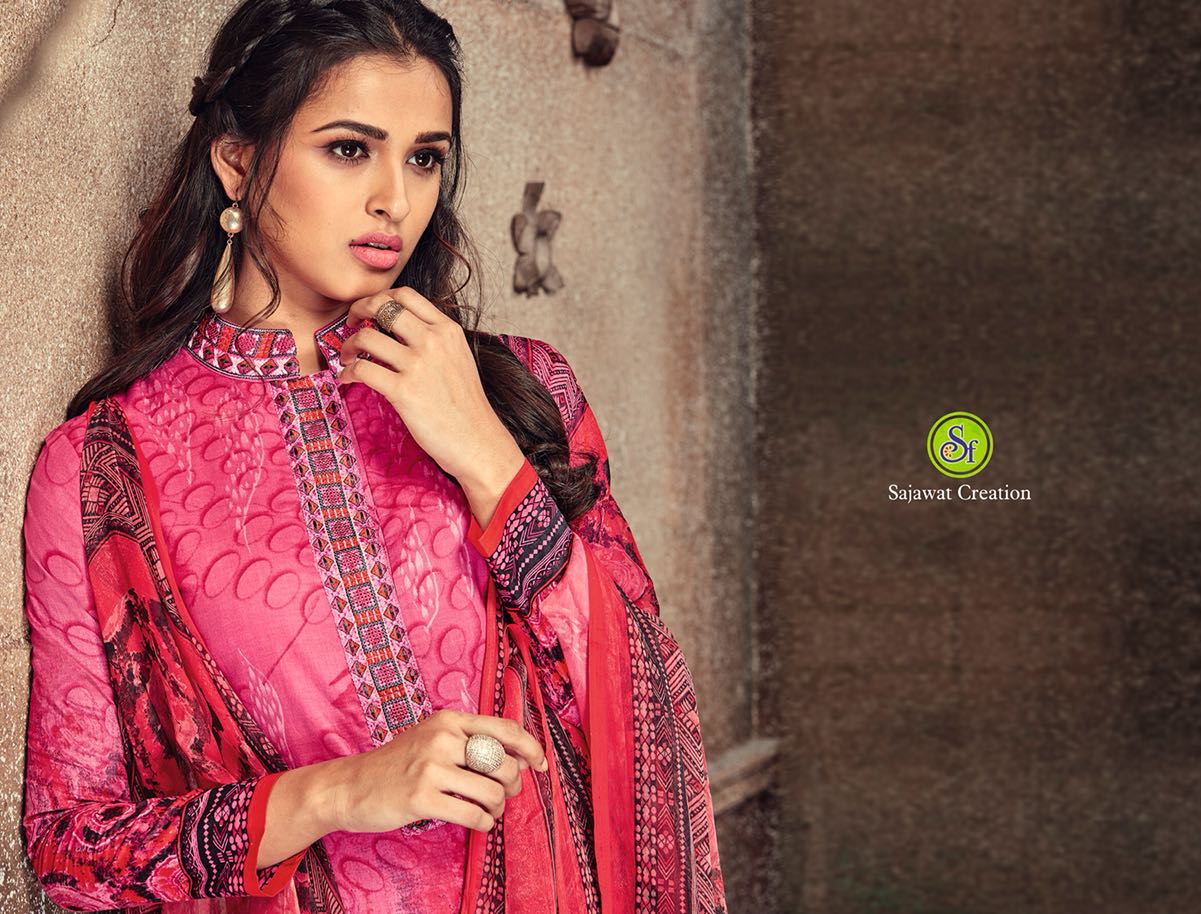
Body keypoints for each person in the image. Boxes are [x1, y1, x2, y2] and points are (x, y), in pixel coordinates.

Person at [19, 1, 726, 912]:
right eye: (350, 149)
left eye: (424, 158)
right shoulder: (101, 466)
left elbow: (647, 713)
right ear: (236, 159)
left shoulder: (524, 388)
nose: (396, 198)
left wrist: (484, 454)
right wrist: (340, 793)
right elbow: (71, 848)